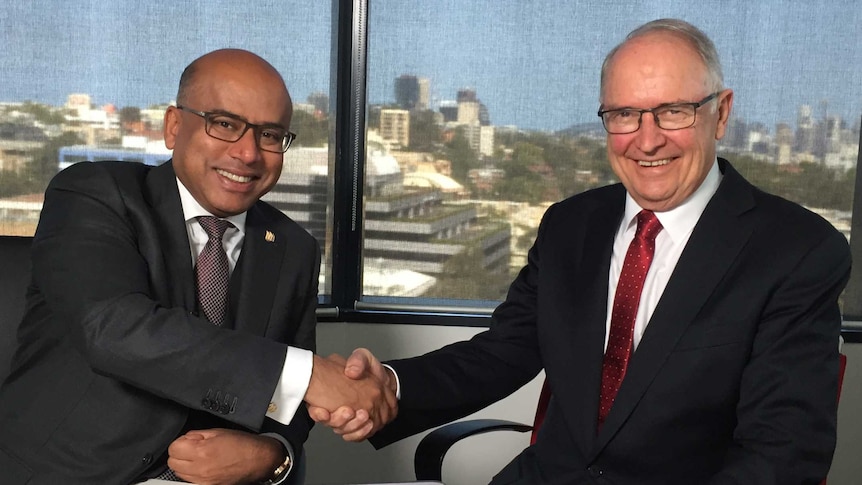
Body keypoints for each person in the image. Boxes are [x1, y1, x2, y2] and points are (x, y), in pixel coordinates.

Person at [312, 19, 851, 484]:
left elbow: (781, 454)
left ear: (721, 113)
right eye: (623, 115)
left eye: (672, 112)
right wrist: (390, 384)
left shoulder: (797, 252)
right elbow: (502, 353)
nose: (646, 139)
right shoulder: (571, 225)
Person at [0, 49, 395, 485]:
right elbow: (113, 327)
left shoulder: (294, 248)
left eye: (269, 134)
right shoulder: (94, 193)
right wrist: (309, 373)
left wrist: (269, 454)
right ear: (173, 126)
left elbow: (290, 408)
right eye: (224, 124)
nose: (247, 154)